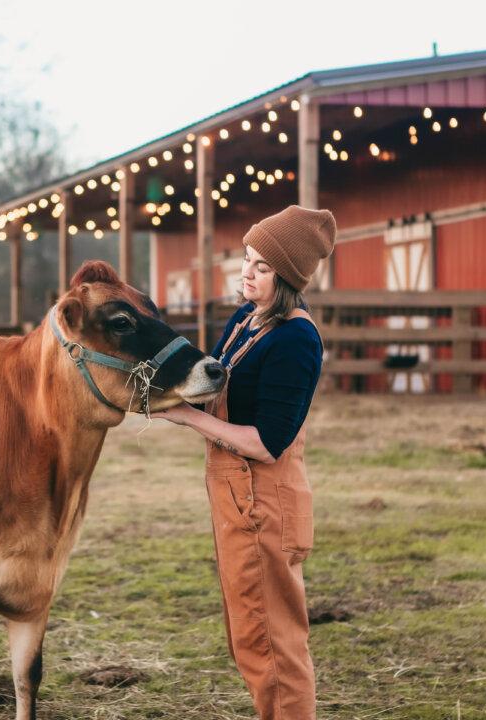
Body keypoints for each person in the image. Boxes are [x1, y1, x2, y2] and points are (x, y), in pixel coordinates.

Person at [153, 205, 335, 719]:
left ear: (289, 277)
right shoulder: (246, 319)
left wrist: (188, 418)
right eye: (247, 259)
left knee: (273, 646)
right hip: (235, 499)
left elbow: (266, 443)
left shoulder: (296, 339)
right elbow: (212, 381)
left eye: (262, 266)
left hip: (264, 504)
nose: (247, 273)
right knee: (249, 637)